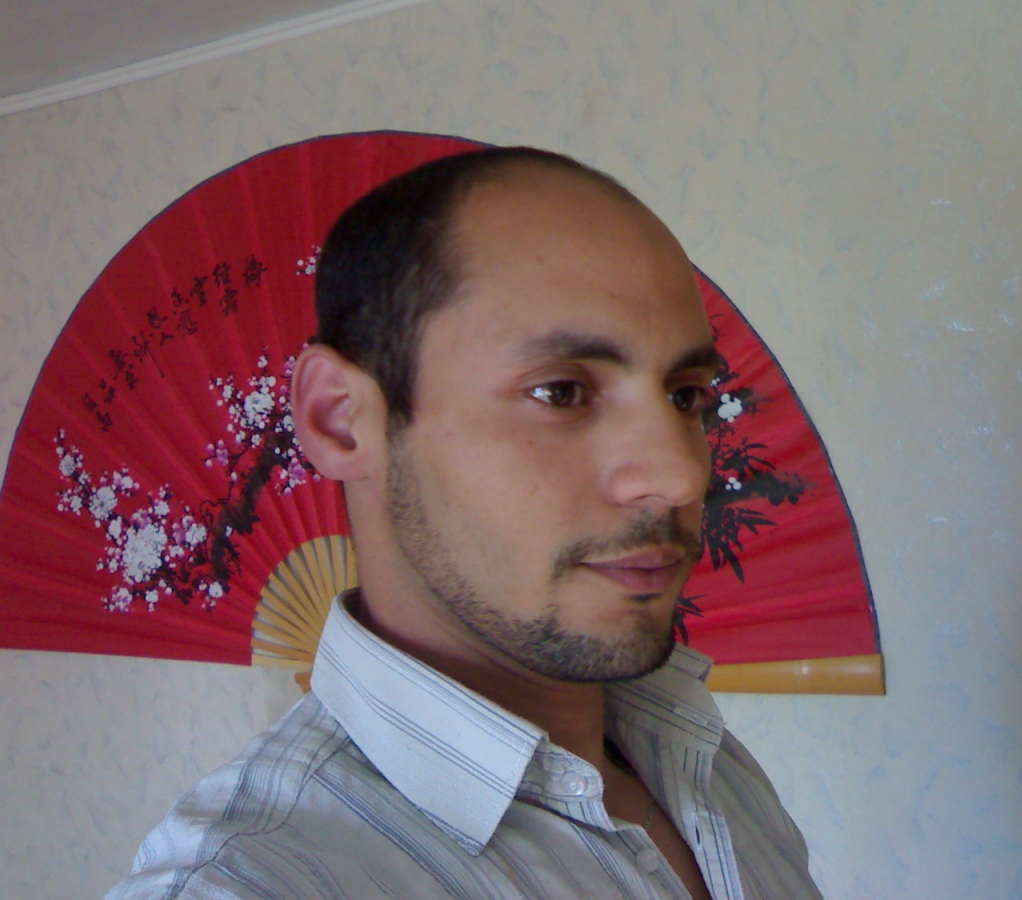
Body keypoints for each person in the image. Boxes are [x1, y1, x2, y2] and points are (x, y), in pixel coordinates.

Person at [105, 147, 825, 899]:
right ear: (341, 420)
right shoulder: (249, 883)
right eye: (560, 392)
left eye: (685, 397)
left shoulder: (700, 756)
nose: (678, 476)